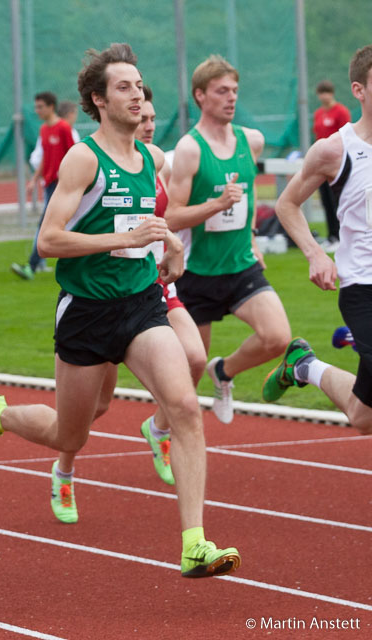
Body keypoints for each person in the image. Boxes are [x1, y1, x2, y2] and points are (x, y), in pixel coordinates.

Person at [0, 43, 240, 578]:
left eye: (139, 85)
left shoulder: (153, 158)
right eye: (124, 87)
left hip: (140, 304)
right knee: (71, 435)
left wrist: (170, 245)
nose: (137, 94)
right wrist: (124, 235)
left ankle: (194, 544)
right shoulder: (83, 157)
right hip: (87, 311)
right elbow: (48, 241)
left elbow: (154, 215)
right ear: (99, 99)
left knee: (184, 404)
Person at [165, 55, 291, 424]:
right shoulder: (189, 150)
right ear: (200, 96)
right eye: (222, 91)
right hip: (196, 272)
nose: (231, 98)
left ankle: (224, 373)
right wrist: (215, 204)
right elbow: (171, 215)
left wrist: (251, 236)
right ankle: (163, 429)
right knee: (188, 368)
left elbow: (247, 195)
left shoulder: (251, 141)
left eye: (235, 90)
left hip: (240, 265)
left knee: (278, 337)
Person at [262, 44, 372, 437]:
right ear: (358, 90)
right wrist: (315, 254)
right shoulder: (334, 150)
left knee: (364, 416)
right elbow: (287, 204)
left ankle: (304, 366)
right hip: (363, 284)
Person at [13, 92, 76, 280]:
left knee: (46, 224)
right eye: (36, 107)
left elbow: (74, 155)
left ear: (51, 106)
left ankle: (32, 267)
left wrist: (71, 181)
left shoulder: (63, 128)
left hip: (62, 184)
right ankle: (37, 264)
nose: (37, 110)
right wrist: (34, 179)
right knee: (56, 225)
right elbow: (45, 159)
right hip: (50, 184)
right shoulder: (44, 130)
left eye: (40, 106)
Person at [313, 80, 352, 252]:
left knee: (337, 200)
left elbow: (346, 137)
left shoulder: (341, 111)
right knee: (326, 201)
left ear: (332, 93)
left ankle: (341, 236)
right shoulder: (318, 114)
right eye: (321, 92)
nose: (324, 96)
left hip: (337, 164)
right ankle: (331, 236)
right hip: (322, 164)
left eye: (327, 92)